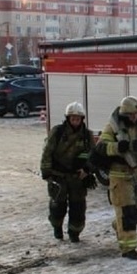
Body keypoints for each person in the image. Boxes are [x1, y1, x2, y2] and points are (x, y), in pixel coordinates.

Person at [96, 96, 137, 260]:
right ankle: (128, 249)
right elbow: (102, 147)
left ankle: (119, 226)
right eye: (132, 115)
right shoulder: (113, 127)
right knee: (127, 213)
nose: (135, 117)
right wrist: (122, 146)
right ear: (124, 115)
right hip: (120, 175)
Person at [40, 101, 97, 243]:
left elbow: (93, 156)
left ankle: (74, 233)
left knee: (78, 208)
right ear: (68, 118)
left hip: (77, 178)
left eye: (78, 119)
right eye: (73, 118)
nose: (75, 121)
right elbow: (47, 152)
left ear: (82, 119)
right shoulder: (57, 132)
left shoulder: (87, 136)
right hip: (58, 176)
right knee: (57, 206)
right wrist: (46, 171)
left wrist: (88, 170)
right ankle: (57, 227)